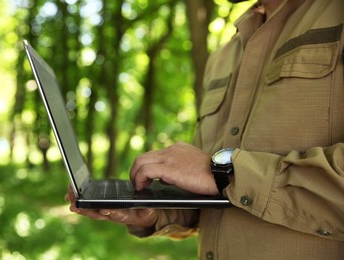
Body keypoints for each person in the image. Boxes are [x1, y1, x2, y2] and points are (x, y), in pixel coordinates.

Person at [66, 0, 344, 259]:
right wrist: (151, 213)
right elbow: (211, 195)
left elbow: (218, 177)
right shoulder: (223, 56)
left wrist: (227, 172)